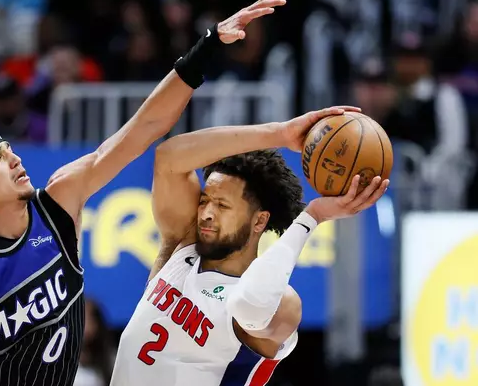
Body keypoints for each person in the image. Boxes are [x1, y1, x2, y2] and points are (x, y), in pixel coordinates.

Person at [0, 0, 288, 385]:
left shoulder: (59, 202)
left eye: (8, 149)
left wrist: (208, 44)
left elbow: (144, 128)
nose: (14, 159)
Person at [110, 107, 390, 386]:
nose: (206, 212)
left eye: (222, 205)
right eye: (205, 200)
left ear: (259, 222)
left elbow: (250, 306)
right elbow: (168, 156)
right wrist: (278, 133)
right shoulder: (181, 244)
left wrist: (312, 217)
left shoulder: (282, 303)